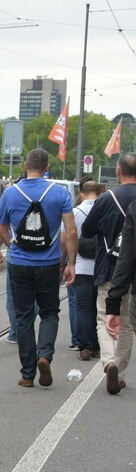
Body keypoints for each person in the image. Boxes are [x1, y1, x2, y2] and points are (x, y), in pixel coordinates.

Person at [0, 148, 77, 388]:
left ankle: (28, 374)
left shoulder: (11, 193)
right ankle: (44, 355)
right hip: (49, 264)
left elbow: (1, 227)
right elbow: (70, 231)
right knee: (50, 312)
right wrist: (71, 263)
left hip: (19, 263)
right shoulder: (59, 193)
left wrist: (6, 246)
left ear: (25, 166)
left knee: (23, 316)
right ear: (47, 167)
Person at [84, 153, 136, 394]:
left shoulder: (107, 199)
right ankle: (121, 372)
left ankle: (110, 362)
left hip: (110, 267)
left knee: (105, 318)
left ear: (118, 171)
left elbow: (87, 229)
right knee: (126, 324)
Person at [72, 180, 101, 361]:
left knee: (82, 307)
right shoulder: (104, 210)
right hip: (100, 267)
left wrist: (66, 263)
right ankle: (98, 345)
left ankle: (85, 346)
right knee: (97, 308)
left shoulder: (75, 212)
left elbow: (68, 236)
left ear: (81, 193)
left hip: (81, 266)